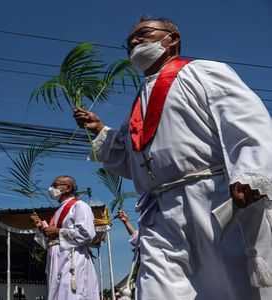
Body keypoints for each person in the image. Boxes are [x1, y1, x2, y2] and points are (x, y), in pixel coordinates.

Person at [74, 16, 272, 300]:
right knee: (157, 289)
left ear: (172, 39)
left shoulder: (202, 72)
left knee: (231, 286)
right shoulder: (138, 101)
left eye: (142, 33)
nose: (133, 42)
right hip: (159, 210)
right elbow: (131, 161)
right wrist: (99, 130)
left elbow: (245, 121)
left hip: (213, 197)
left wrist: (251, 171)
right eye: (128, 40)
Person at [30, 175, 100, 300]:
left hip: (72, 258)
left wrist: (57, 231)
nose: (51, 188)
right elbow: (52, 240)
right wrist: (42, 228)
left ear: (67, 188)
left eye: (55, 185)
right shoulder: (58, 211)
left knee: (71, 293)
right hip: (56, 258)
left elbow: (87, 233)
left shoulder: (80, 206)